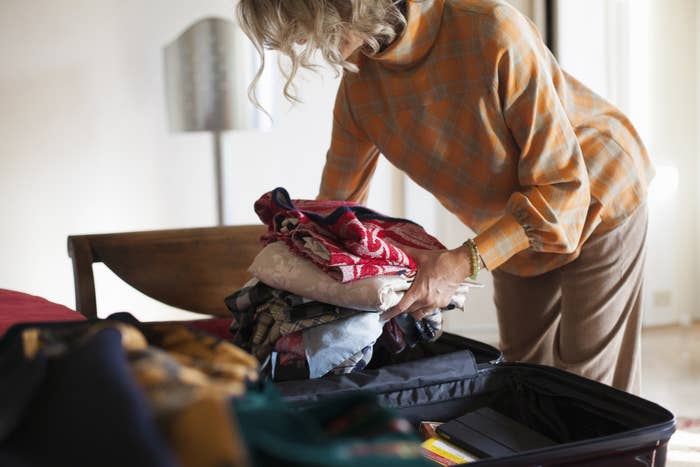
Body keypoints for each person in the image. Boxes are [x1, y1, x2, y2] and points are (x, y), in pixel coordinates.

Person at [237, 0, 654, 395]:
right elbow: (334, 212)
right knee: (525, 376)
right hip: (513, 219)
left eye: (303, 23)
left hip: (600, 189)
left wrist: (460, 262)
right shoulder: (359, 89)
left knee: (590, 386)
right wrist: (290, 277)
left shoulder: (492, 31)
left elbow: (562, 190)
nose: (305, 43)